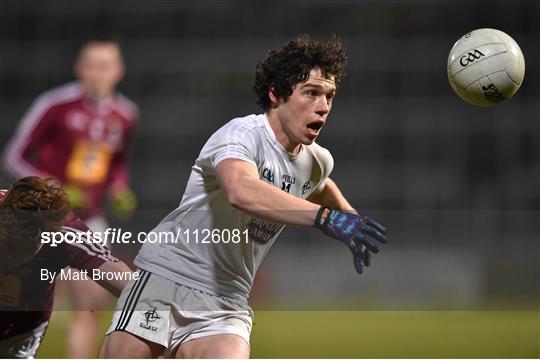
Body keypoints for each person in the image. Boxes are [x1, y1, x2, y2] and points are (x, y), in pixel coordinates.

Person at [99, 34, 387, 358]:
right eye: (311, 93)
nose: (323, 107)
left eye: (330, 96)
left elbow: (318, 184)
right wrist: (324, 218)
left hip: (227, 300)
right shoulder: (242, 134)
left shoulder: (317, 160)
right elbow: (241, 190)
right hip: (168, 276)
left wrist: (349, 215)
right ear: (276, 93)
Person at [2, 40, 139, 358]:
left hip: (87, 218)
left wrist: (119, 188)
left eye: (105, 66)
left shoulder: (126, 114)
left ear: (119, 71)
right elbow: (14, 155)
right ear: (79, 68)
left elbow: (116, 165)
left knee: (91, 304)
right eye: (91, 65)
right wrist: (54, 185)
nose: (97, 73)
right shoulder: (55, 104)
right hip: (39, 218)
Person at [0, 176, 134, 358]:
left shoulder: (68, 236)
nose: (12, 259)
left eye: (22, 250)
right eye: (8, 245)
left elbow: (133, 289)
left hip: (21, 332)